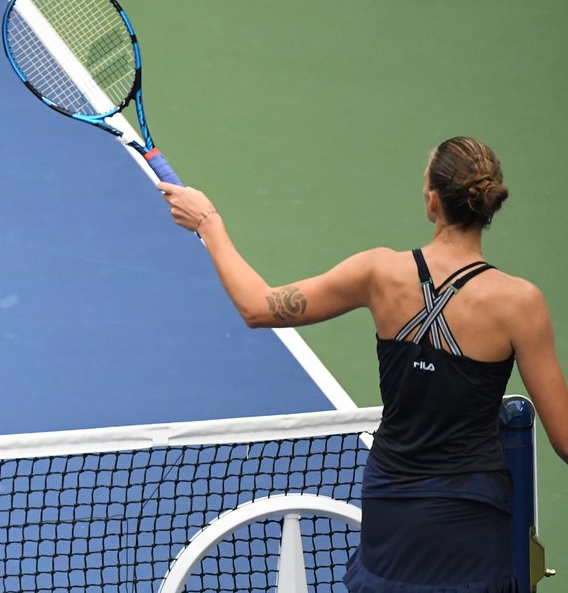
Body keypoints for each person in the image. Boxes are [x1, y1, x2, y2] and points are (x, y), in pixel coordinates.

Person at [158, 136, 568, 591]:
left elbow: (258, 307)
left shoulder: (379, 274)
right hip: (471, 518)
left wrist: (208, 224)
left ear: (433, 202)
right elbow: (565, 440)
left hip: (391, 507)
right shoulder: (520, 304)